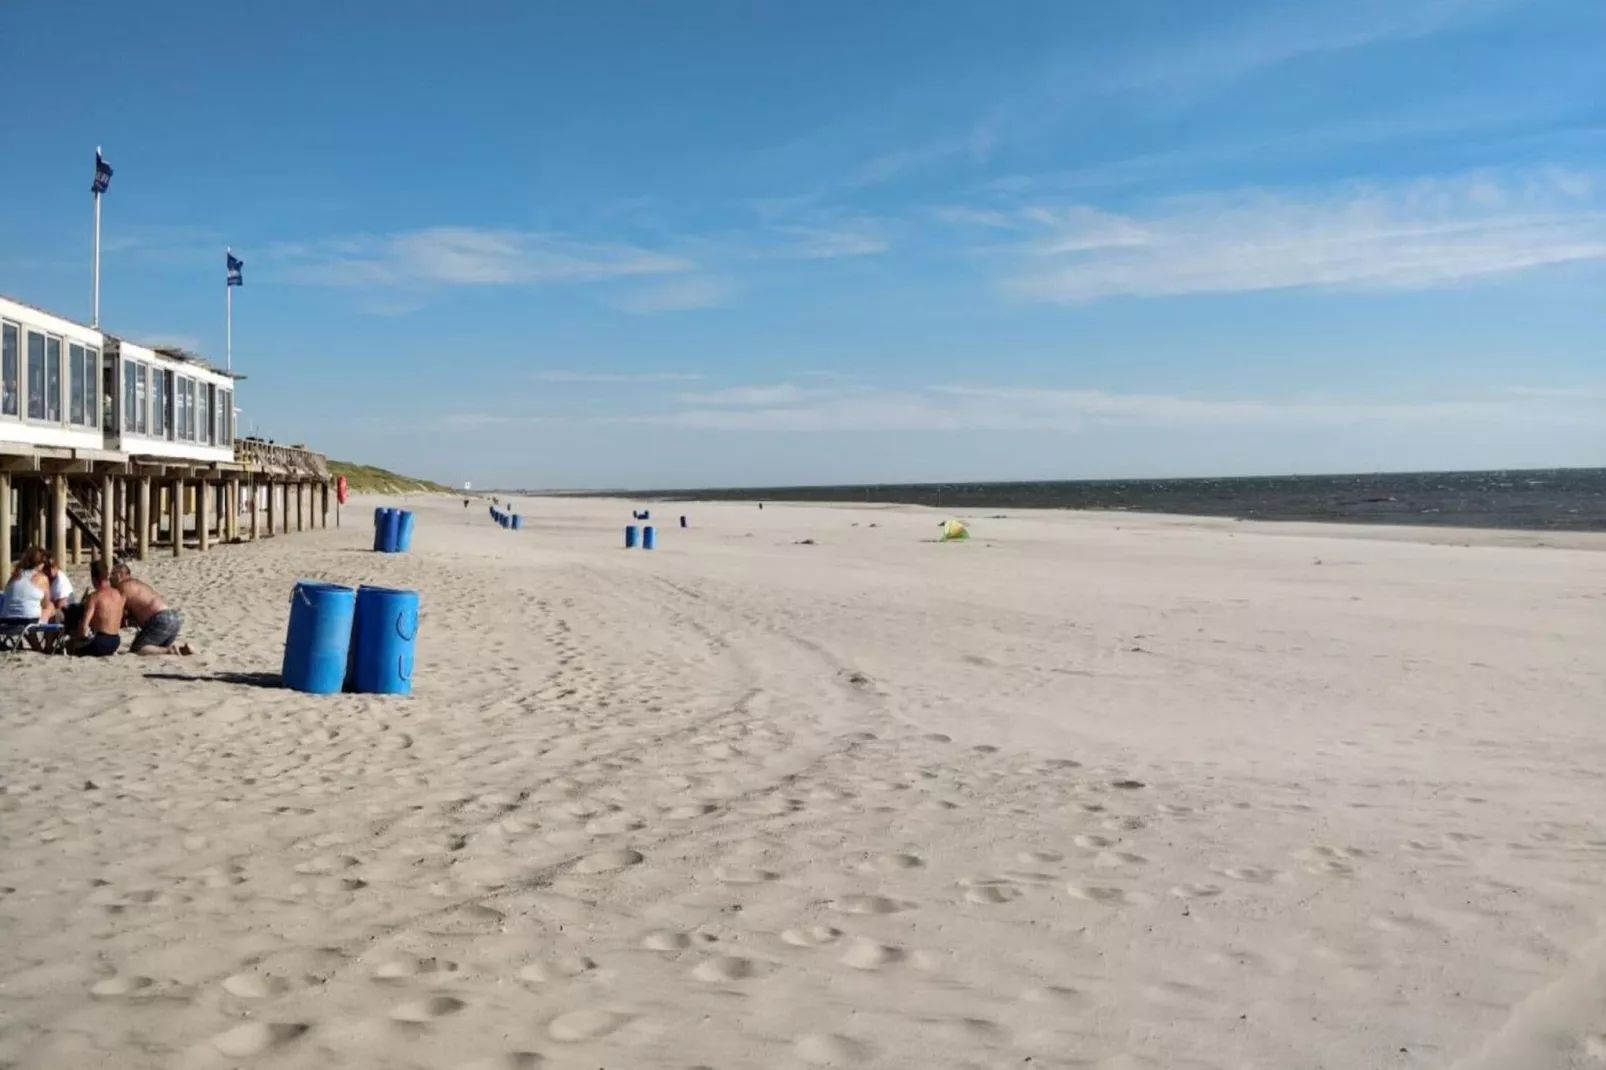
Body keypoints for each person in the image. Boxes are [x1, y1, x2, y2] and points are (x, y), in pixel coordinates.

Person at [110, 563, 194, 656]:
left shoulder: (124, 587)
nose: (110, 578)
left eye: (113, 574)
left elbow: (117, 612)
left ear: (120, 575)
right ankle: (183, 650)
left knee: (138, 649)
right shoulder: (138, 584)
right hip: (173, 618)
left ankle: (171, 651)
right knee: (157, 648)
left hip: (161, 619)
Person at [1, 547, 54, 652]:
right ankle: (48, 647)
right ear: (40, 563)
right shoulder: (42, 578)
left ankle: (37, 647)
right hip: (27, 621)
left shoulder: (14, 576)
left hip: (6, 619)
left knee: (27, 611)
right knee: (50, 607)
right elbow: (46, 603)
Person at [69, 560, 124, 658]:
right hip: (116, 641)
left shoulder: (94, 597)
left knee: (72, 646)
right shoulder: (118, 594)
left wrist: (77, 637)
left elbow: (84, 626)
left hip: (100, 643)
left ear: (94, 579)